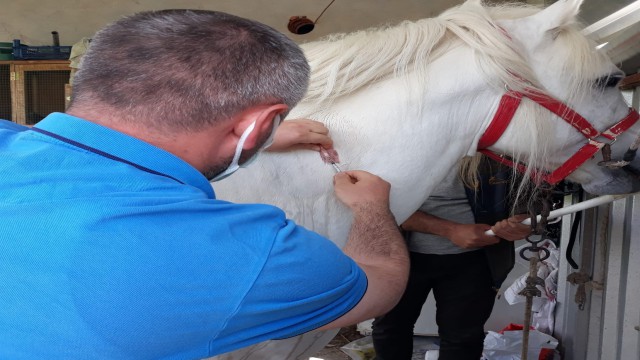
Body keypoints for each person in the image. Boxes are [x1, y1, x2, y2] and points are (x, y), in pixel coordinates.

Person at [0, 10, 409, 359]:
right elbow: (381, 282)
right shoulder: (249, 251)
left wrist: (255, 141)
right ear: (260, 124)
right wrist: (371, 206)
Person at [371, 158, 531, 360]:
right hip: (399, 256)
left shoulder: (498, 147)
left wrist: (523, 220)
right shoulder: (397, 146)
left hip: (475, 259)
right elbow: (379, 206)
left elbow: (528, 196)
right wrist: (451, 230)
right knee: (390, 329)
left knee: (463, 338)